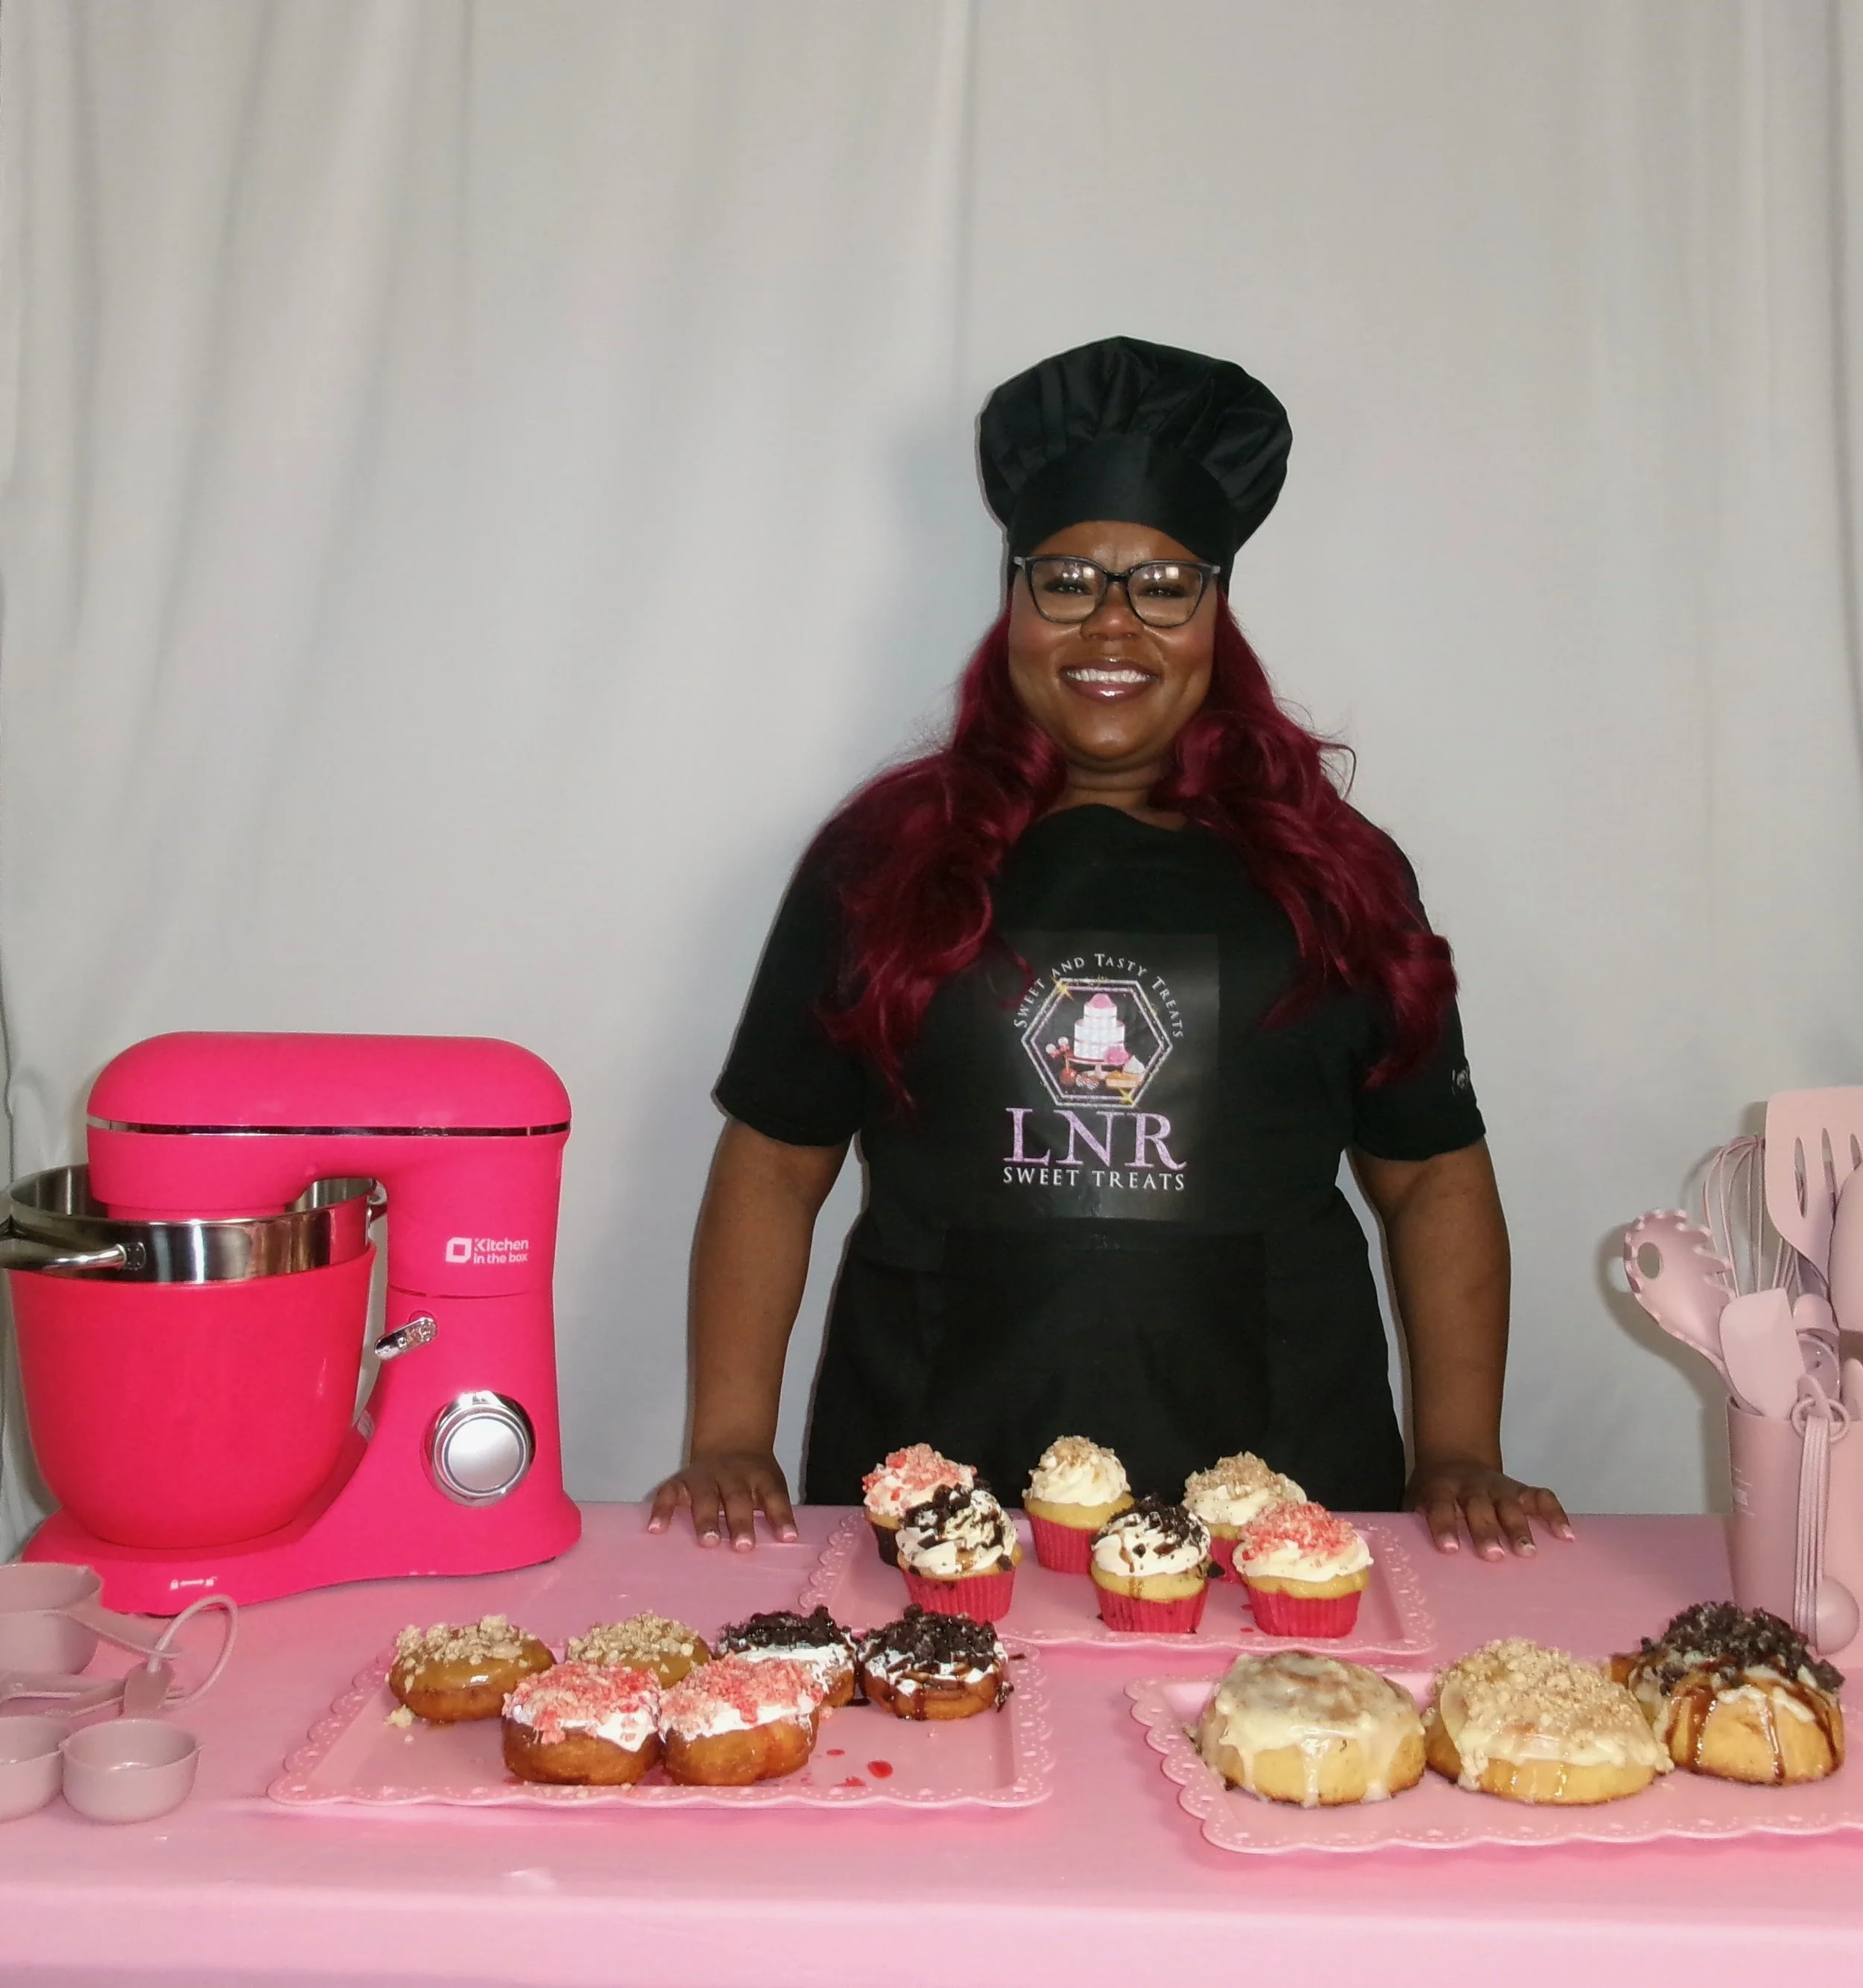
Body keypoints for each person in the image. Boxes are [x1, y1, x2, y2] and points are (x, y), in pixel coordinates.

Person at [649, 336, 1569, 1564]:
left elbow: (1433, 1174)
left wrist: (1458, 1454)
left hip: (1283, 1517)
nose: (1114, 625)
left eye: (1164, 583)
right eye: (1070, 578)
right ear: (1015, 599)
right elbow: (774, 1160)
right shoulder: (883, 859)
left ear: (1218, 608)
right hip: (932, 1503)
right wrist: (728, 1439)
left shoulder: (1336, 872)